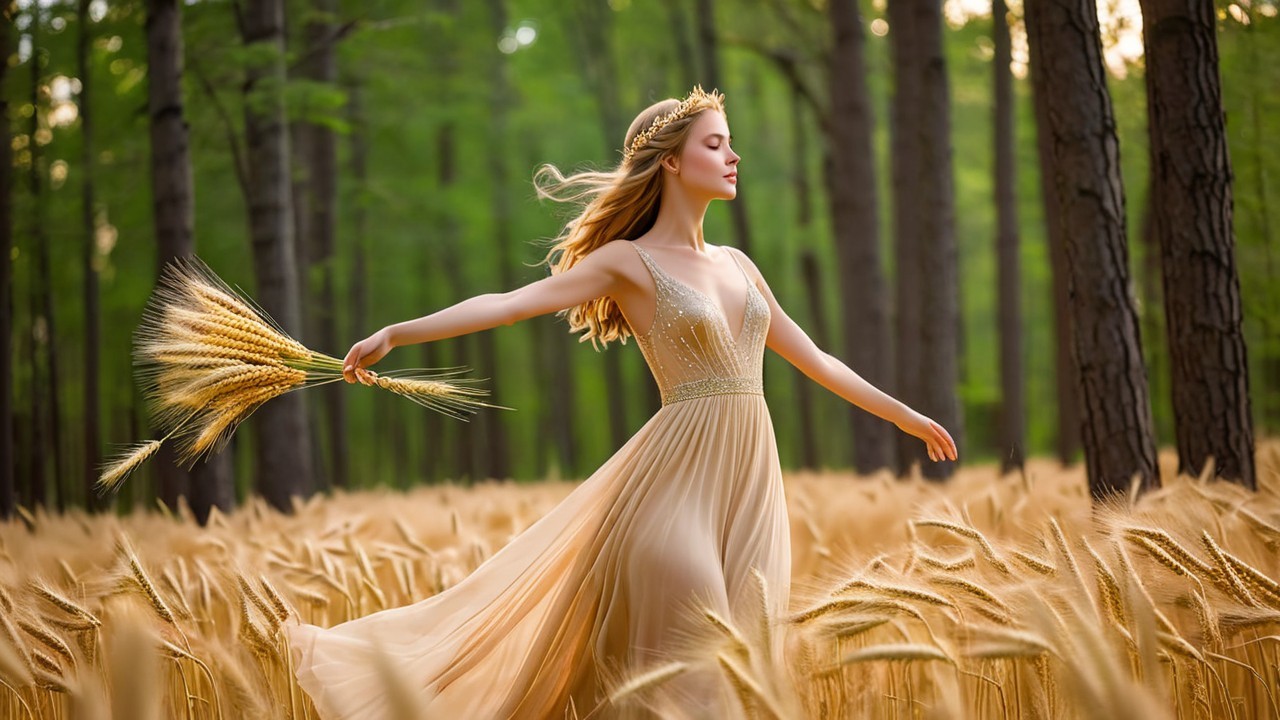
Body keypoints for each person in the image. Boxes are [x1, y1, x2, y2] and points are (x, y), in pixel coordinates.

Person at [283, 85, 958, 720]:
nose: (733, 156)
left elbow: (816, 359)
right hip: (672, 497)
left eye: (729, 143)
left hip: (752, 495)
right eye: (716, 144)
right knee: (697, 683)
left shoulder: (740, 265)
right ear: (671, 161)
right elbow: (512, 306)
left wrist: (902, 414)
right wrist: (400, 332)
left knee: (739, 679)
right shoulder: (627, 263)